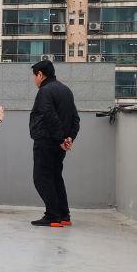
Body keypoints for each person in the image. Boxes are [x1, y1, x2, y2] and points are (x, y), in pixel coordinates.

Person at [28, 59, 79, 228]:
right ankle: (64, 215)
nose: (34, 80)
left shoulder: (45, 91)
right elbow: (75, 118)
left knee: (41, 178)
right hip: (60, 144)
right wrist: (69, 138)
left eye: (34, 76)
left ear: (40, 75)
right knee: (56, 177)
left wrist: (60, 139)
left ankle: (53, 215)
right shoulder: (66, 90)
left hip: (47, 141)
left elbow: (49, 116)